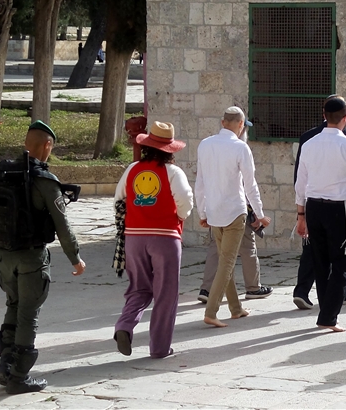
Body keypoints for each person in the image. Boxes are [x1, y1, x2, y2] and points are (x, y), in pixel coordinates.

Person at [0, 121, 85, 393]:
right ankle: (19, 377)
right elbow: (62, 226)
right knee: (28, 315)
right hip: (31, 259)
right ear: (47, 145)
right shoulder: (44, 180)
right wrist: (75, 258)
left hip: (3, 256)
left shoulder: (0, 173)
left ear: (25, 144)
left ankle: (5, 366)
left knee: (13, 304)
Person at [113, 121, 193, 359]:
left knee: (138, 288)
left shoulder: (132, 169)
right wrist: (179, 216)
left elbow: (119, 199)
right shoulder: (173, 172)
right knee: (166, 293)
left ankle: (124, 326)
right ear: (170, 149)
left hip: (134, 238)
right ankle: (159, 347)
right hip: (165, 237)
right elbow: (185, 202)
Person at [295, 96, 346, 332]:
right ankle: (329, 316)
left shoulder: (309, 144)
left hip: (314, 206)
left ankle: (325, 312)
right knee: (342, 262)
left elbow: (300, 183)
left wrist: (300, 214)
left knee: (320, 261)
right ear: (345, 118)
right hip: (341, 208)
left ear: (323, 115)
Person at [195, 106, 270, 328]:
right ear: (240, 124)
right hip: (235, 212)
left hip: (215, 211)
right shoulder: (241, 148)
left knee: (224, 258)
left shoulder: (205, 145)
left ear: (222, 122)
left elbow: (200, 184)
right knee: (226, 262)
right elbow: (250, 185)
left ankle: (235, 308)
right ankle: (211, 311)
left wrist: (202, 212)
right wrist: (260, 214)